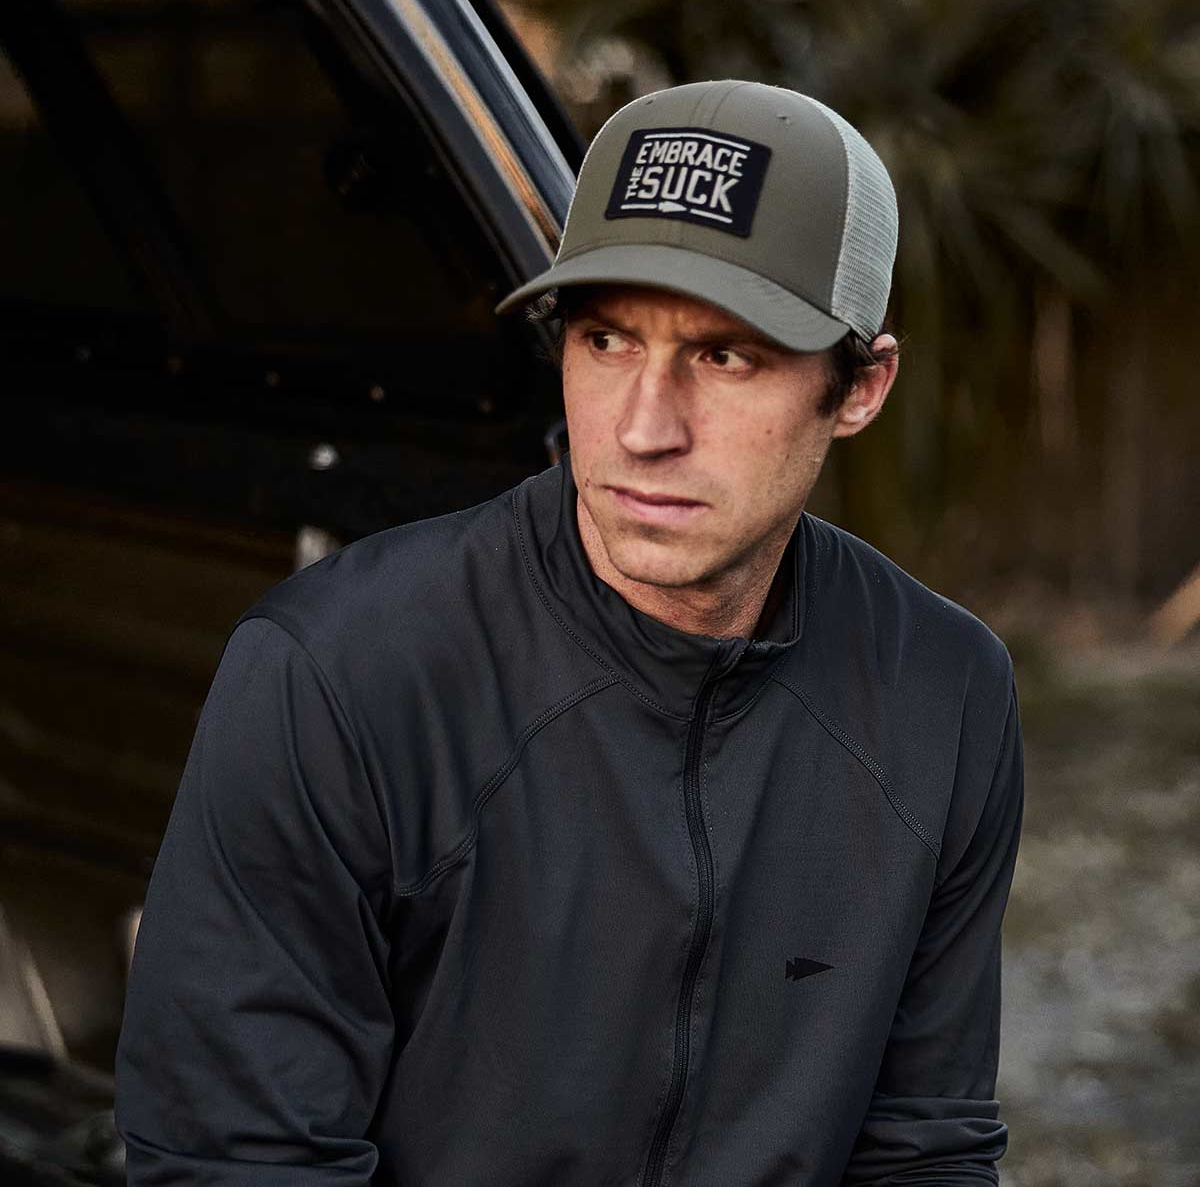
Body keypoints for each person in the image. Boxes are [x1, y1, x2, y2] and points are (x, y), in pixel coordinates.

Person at [116, 81, 1023, 1186]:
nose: (644, 427)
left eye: (726, 356)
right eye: (606, 338)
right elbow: (236, 1164)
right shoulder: (342, 674)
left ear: (861, 386)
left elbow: (923, 1147)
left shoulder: (944, 692)